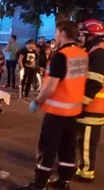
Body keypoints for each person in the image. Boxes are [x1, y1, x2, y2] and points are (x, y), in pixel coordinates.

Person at [17, 21, 88, 190]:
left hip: (57, 111)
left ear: (62, 33)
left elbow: (51, 87)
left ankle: (39, 184)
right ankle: (64, 181)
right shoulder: (82, 54)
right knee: (67, 147)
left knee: (47, 147)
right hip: (74, 110)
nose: (55, 36)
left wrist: (37, 101)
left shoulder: (61, 56)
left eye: (56, 32)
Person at [74, 19, 104, 182]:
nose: (81, 38)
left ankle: (86, 172)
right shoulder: (95, 51)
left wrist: (83, 103)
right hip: (92, 104)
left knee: (87, 142)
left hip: (93, 106)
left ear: (92, 36)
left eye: (83, 35)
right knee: (83, 140)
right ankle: (83, 167)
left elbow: (94, 82)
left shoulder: (99, 53)